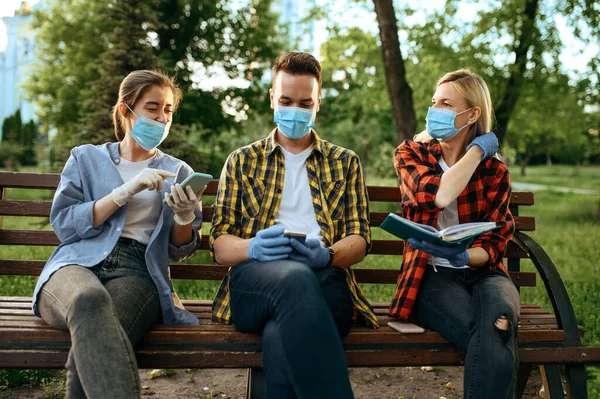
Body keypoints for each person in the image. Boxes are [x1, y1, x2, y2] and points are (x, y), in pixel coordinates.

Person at [210, 51, 377, 399]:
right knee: (294, 278)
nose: (295, 110)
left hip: (326, 278)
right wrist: (252, 247)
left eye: (305, 103)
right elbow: (219, 245)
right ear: (272, 97)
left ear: (318, 103)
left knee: (277, 335)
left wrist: (326, 255)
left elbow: (360, 238)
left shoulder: (345, 163)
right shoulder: (242, 161)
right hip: (255, 279)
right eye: (286, 100)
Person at [32, 70, 204, 398]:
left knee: (98, 339)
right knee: (89, 300)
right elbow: (65, 224)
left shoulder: (179, 171)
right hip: (76, 263)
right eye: (153, 108)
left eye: (168, 110)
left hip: (138, 271)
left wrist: (183, 216)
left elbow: (180, 250)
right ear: (126, 111)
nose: (162, 118)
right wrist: (122, 192)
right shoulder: (85, 158)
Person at [389, 70, 520, 399]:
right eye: (434, 102)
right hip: (431, 276)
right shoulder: (411, 154)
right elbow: (440, 195)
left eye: (446, 104)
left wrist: (464, 256)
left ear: (472, 113)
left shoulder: (495, 172)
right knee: (495, 336)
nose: (435, 110)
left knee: (498, 321)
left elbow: (495, 242)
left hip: (484, 273)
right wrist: (477, 151)